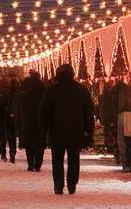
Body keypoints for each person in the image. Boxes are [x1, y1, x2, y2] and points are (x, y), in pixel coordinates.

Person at [39, 63, 95, 195]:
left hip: (56, 130)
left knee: (57, 159)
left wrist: (44, 129)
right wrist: (89, 131)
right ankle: (72, 183)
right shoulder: (81, 90)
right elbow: (88, 112)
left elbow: (43, 111)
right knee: (74, 158)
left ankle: (58, 185)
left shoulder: (51, 90)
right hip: (76, 130)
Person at [13, 71, 47, 172]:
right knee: (39, 143)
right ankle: (38, 164)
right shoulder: (41, 87)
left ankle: (30, 163)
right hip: (39, 118)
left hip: (26, 118)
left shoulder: (23, 87)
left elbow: (17, 103)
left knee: (29, 144)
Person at [116, 77, 131, 173]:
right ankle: (129, 164)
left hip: (124, 114)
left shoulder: (120, 88)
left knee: (123, 141)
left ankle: (127, 164)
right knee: (129, 141)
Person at [0, 75, 17, 163]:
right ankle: (12, 152)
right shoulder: (13, 90)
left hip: (0, 115)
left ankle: (3, 154)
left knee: (2, 135)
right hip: (10, 114)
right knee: (11, 135)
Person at [99, 81, 119, 158]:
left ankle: (108, 146)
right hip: (111, 117)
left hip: (106, 117)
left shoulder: (103, 96)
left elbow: (102, 108)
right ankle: (111, 146)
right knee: (112, 132)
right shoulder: (111, 96)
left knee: (107, 132)